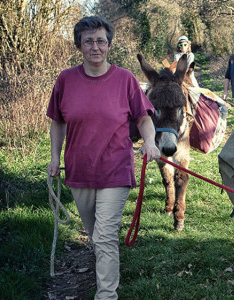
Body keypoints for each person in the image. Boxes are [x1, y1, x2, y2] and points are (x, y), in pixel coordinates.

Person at [46, 16, 160, 299]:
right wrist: (53, 158)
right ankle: (103, 271)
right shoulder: (65, 79)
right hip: (79, 169)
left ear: (109, 44)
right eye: (88, 41)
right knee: (95, 235)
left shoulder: (125, 79)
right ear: (79, 45)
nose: (95, 47)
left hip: (115, 169)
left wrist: (150, 142)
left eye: (100, 41)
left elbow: (143, 118)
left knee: (106, 236)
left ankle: (106, 294)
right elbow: (57, 122)